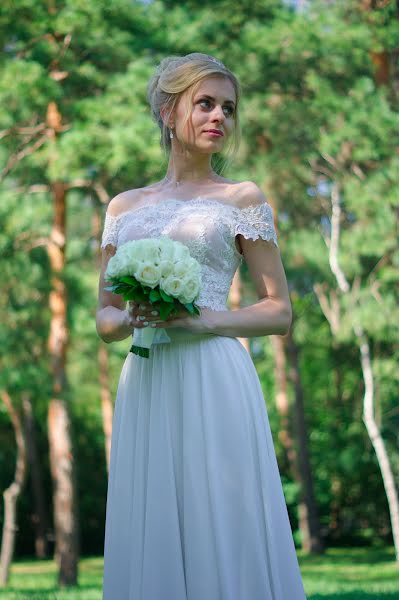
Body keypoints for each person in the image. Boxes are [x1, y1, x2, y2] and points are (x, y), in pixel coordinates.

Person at [96, 52, 307, 599]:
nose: (219, 117)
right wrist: (128, 319)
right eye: (205, 103)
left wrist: (205, 318)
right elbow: (104, 315)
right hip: (147, 377)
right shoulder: (124, 206)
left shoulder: (241, 199)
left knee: (220, 512)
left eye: (229, 108)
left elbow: (279, 311)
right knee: (156, 515)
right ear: (169, 113)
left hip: (215, 372)